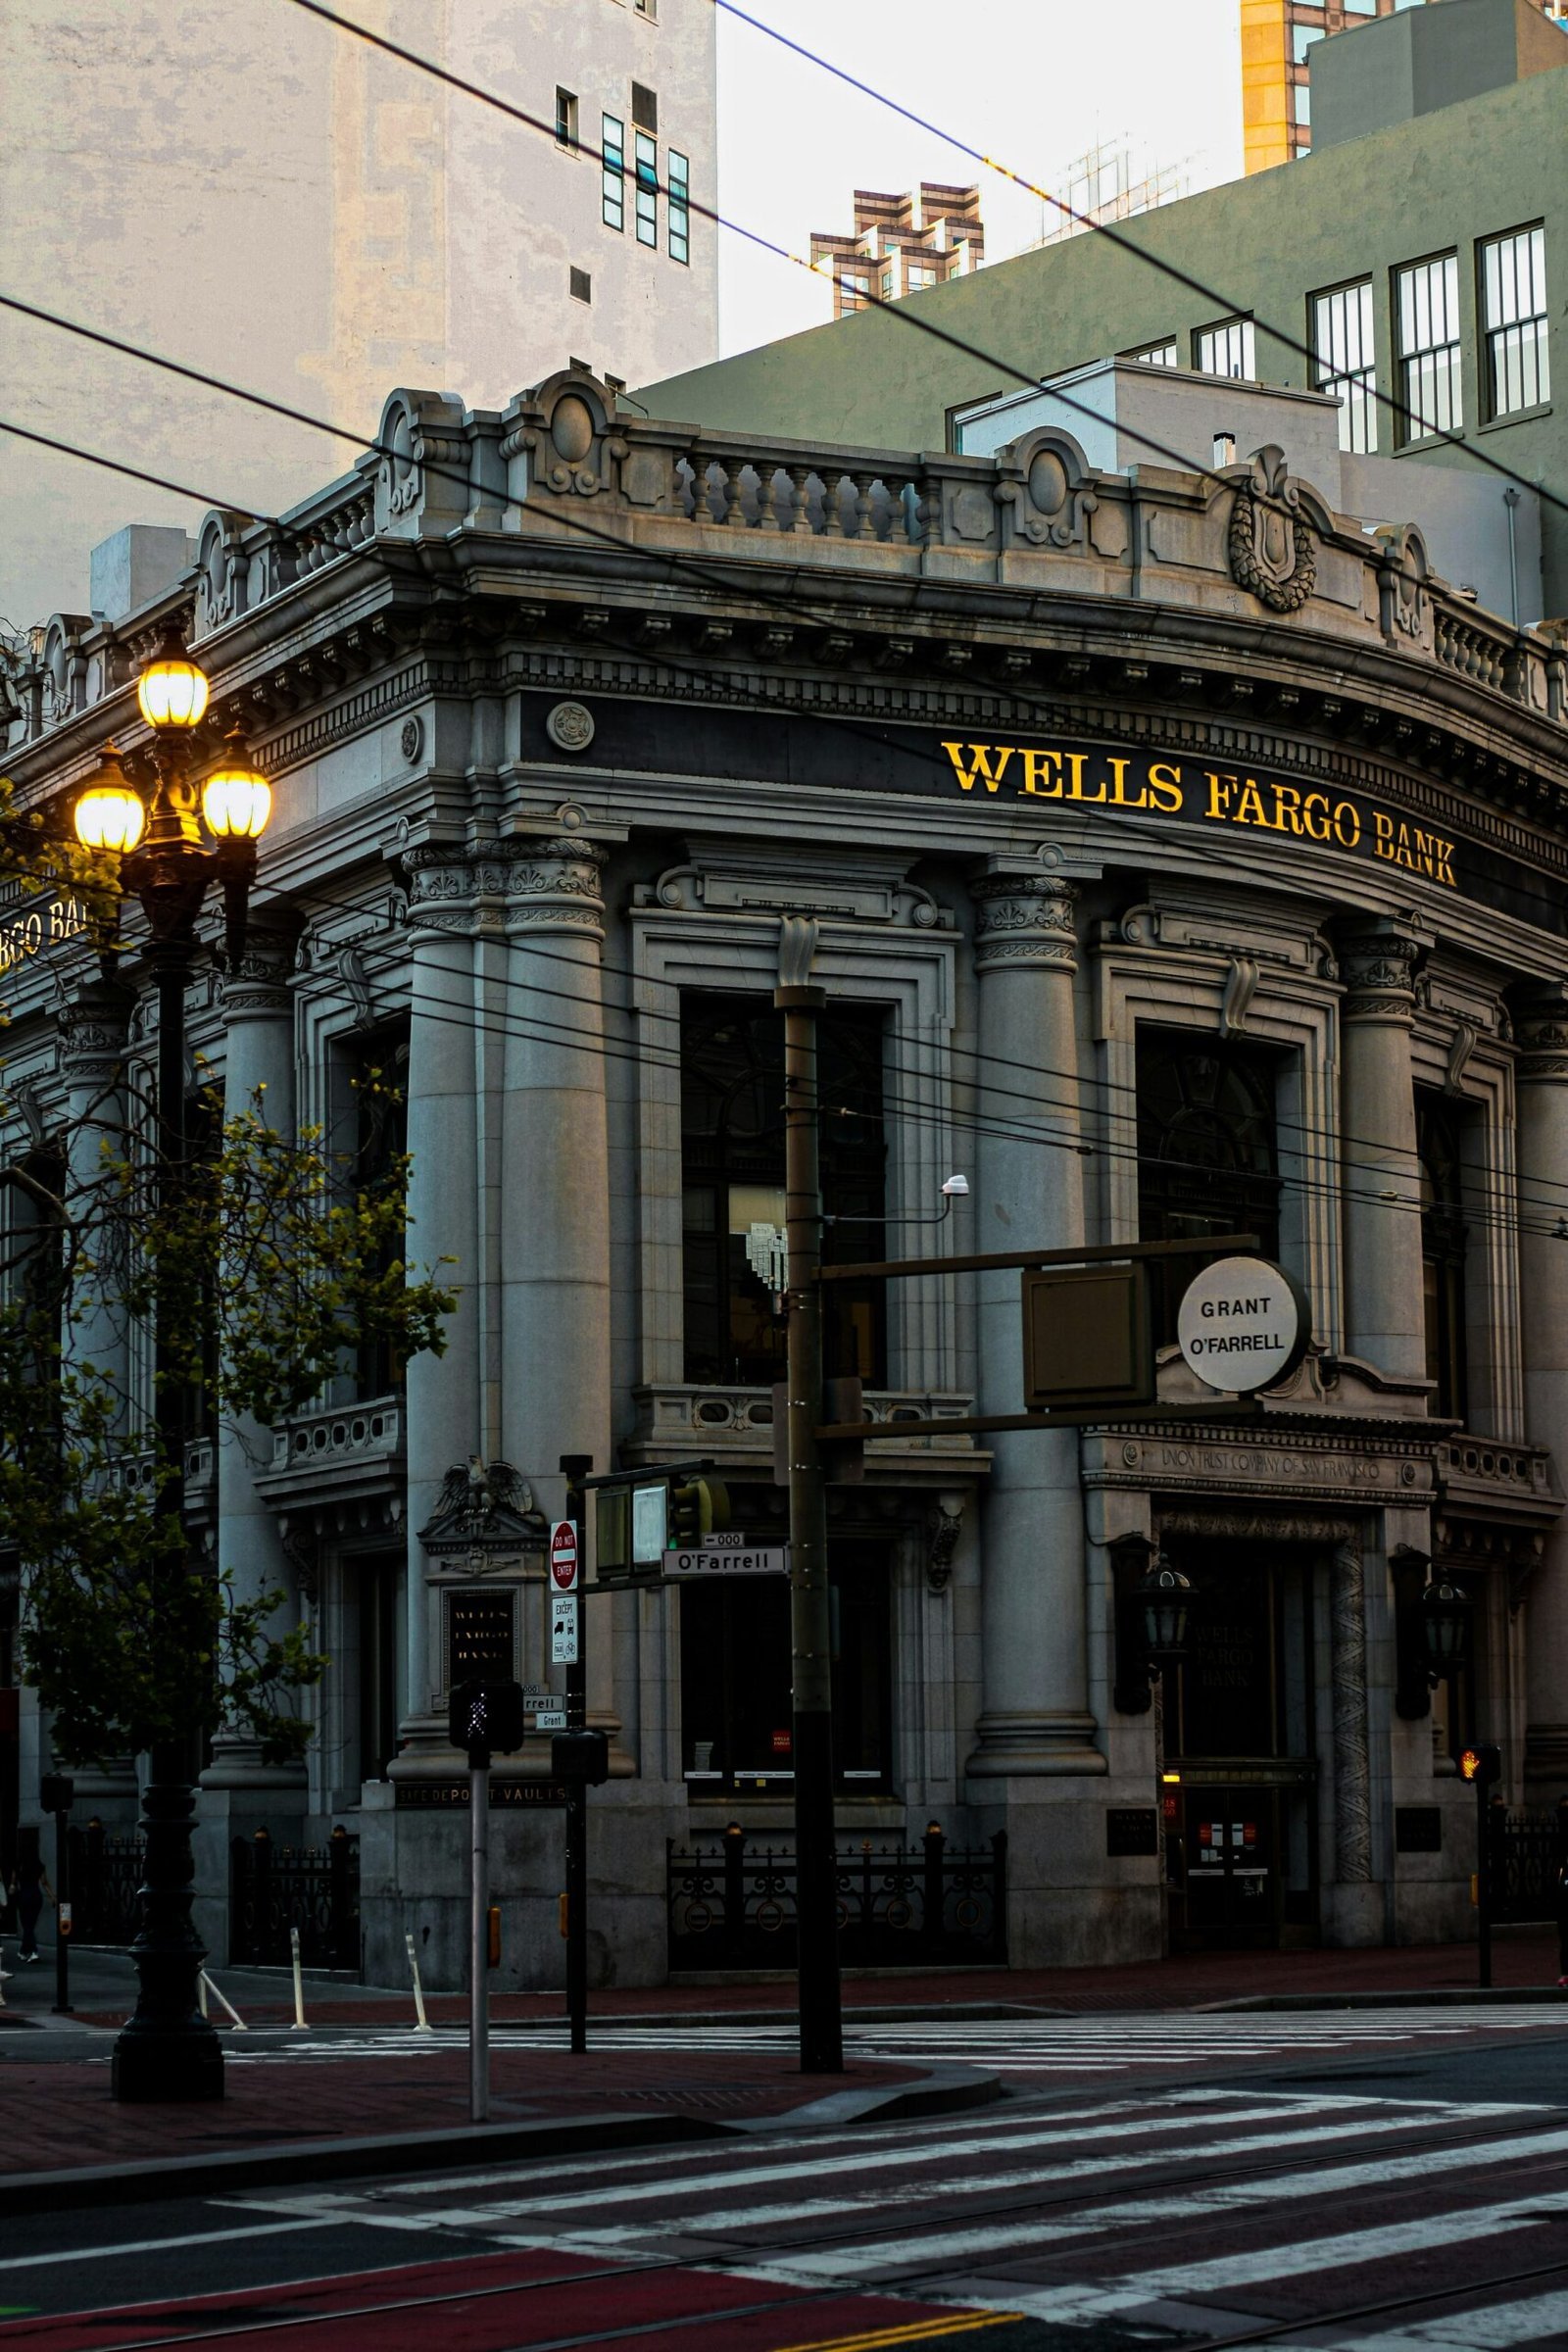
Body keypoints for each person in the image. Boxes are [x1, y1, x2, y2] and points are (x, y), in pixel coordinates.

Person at [8, 1846, 51, 1963]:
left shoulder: (18, 1865)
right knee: (30, 1925)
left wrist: (11, 1890)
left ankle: (33, 1952)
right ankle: (23, 1951)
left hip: (23, 1897)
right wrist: (52, 1896)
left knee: (27, 1925)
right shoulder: (39, 1866)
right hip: (36, 1897)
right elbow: (44, 1882)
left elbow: (13, 1883)